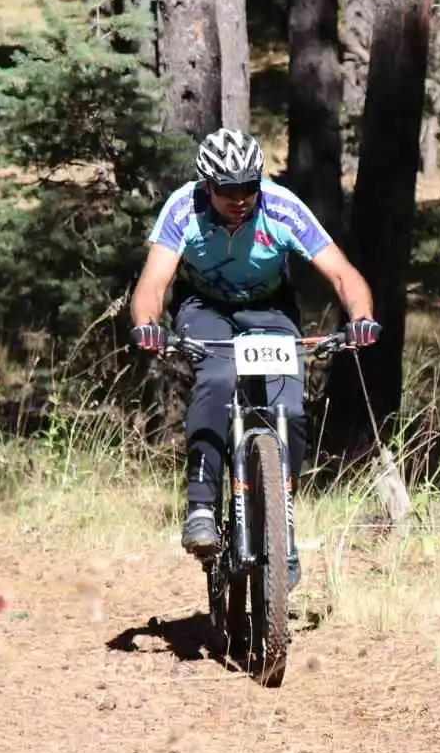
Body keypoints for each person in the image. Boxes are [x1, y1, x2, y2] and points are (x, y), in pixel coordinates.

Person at [128, 128, 379, 589]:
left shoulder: (282, 207)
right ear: (208, 186)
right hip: (203, 309)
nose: (239, 198)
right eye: (227, 189)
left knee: (289, 408)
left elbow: (343, 274)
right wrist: (148, 323)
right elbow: (153, 283)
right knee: (219, 377)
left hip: (269, 311)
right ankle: (201, 505)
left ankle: (281, 527)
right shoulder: (184, 208)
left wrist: (361, 317)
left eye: (249, 187)